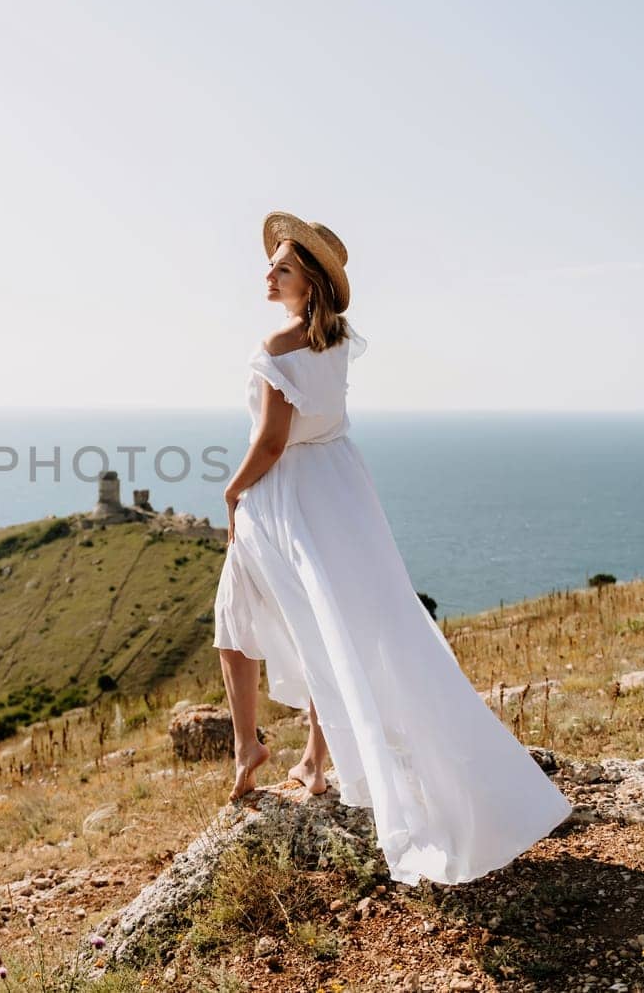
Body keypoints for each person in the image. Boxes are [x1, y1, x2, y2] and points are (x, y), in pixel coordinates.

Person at [212, 211, 572, 886]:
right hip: (343, 489)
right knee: (335, 621)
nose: (269, 273)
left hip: (287, 493)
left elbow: (269, 442)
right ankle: (314, 763)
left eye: (282, 267)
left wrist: (233, 492)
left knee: (239, 615)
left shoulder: (278, 344)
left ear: (309, 283)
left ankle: (247, 746)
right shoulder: (337, 340)